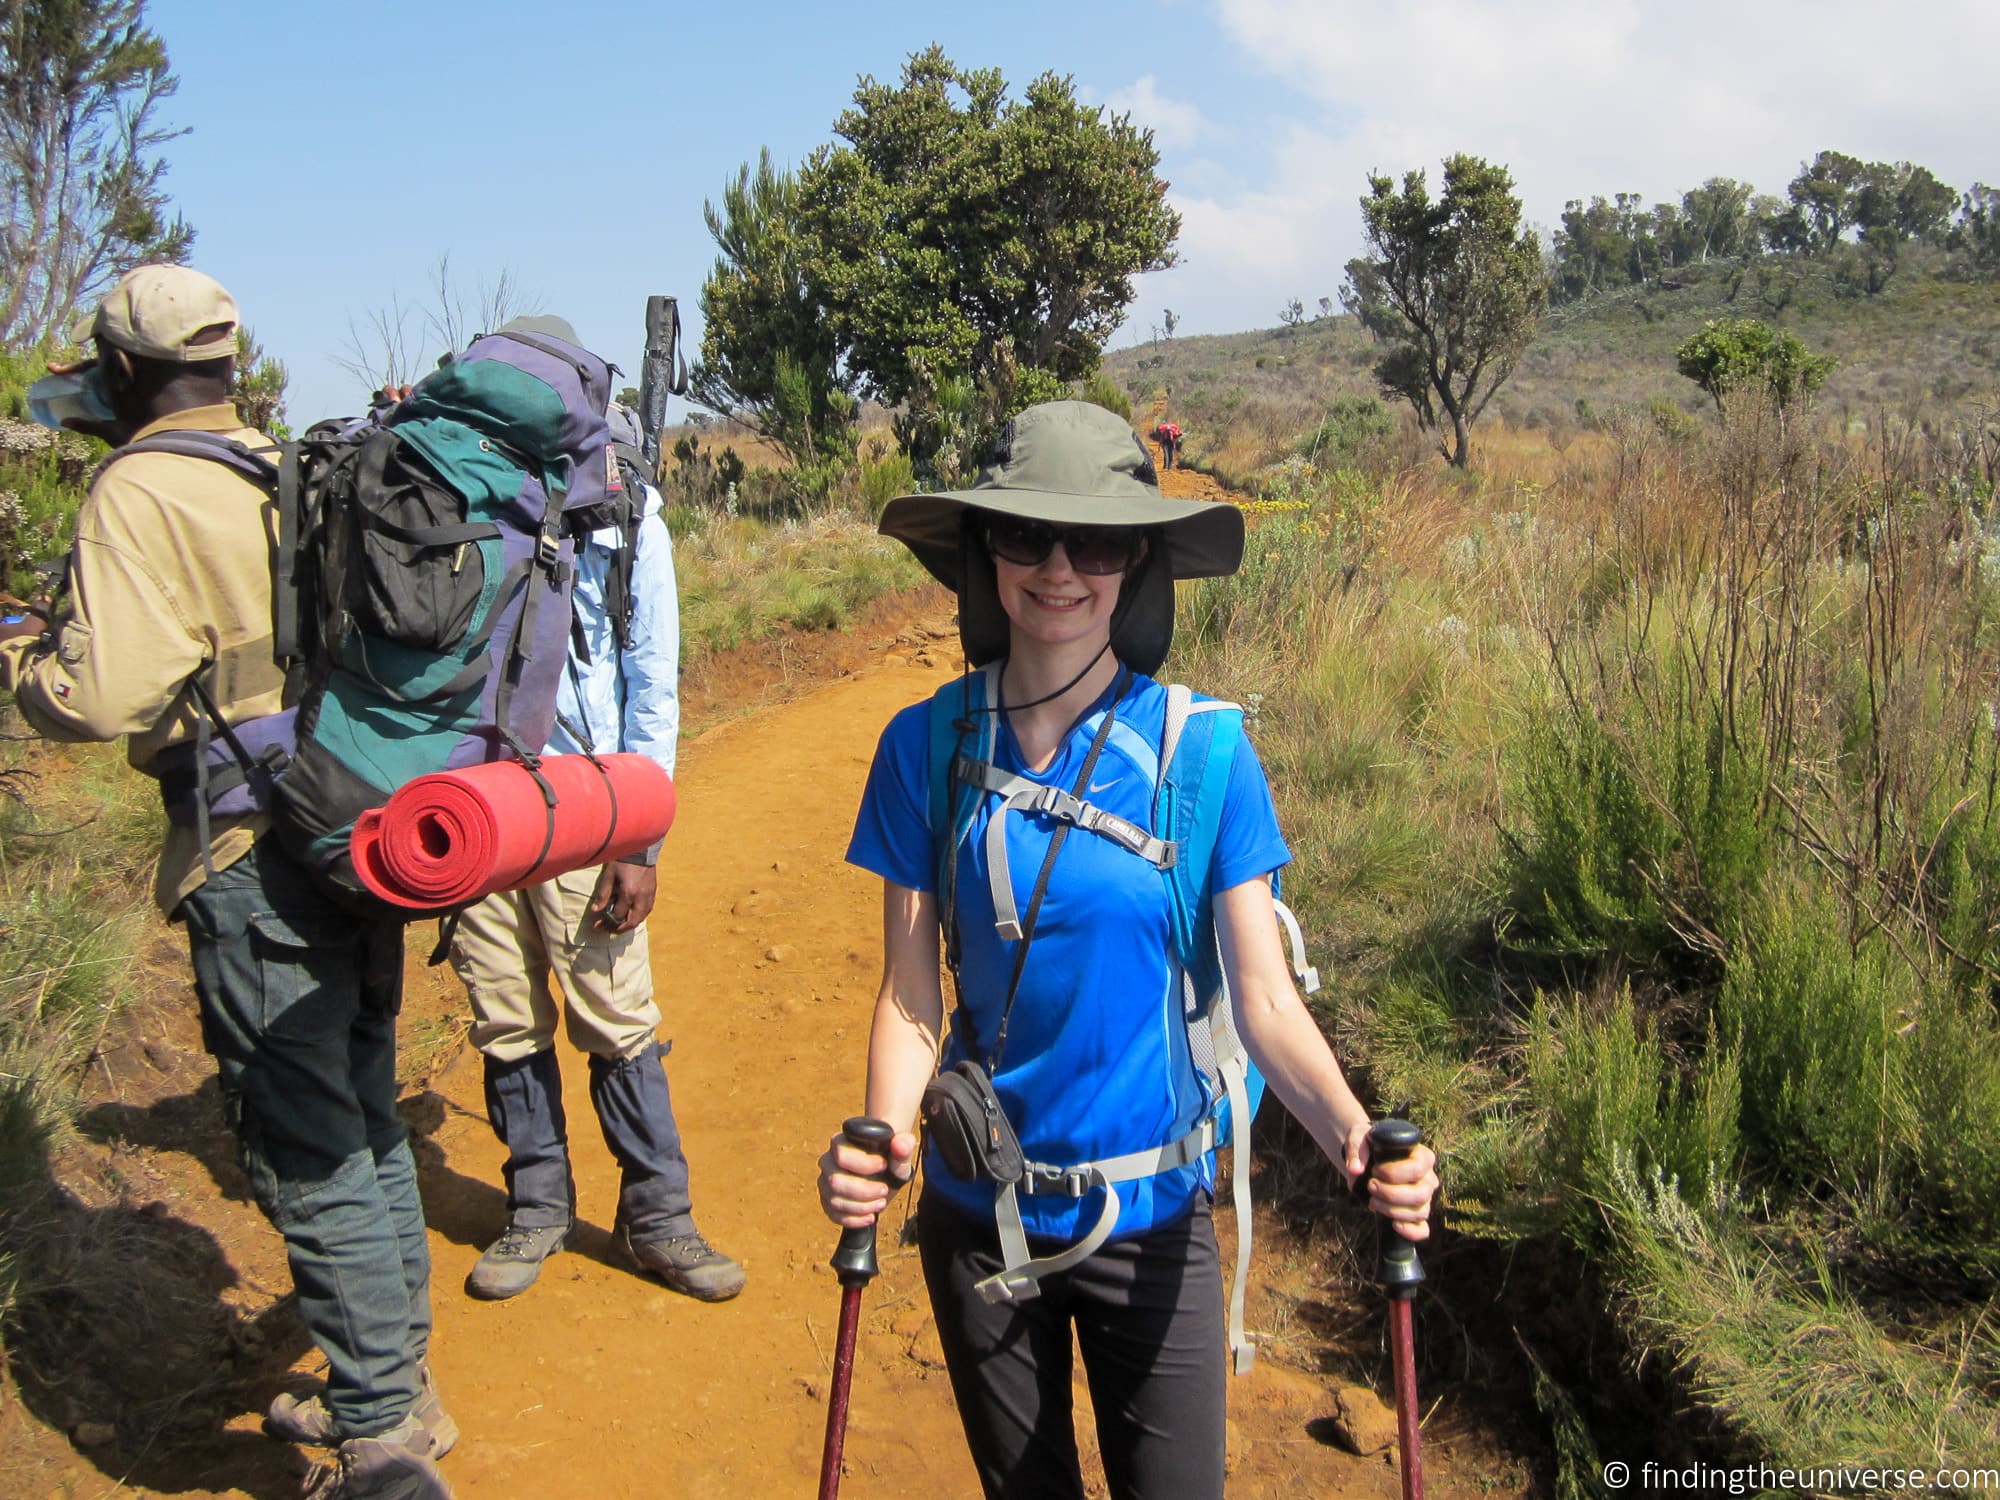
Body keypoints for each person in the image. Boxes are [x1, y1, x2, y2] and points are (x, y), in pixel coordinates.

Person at [816, 400, 1438, 1500]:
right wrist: (881, 1138)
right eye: (1025, 535)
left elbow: (1264, 1001)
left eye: (1095, 542)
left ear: (1138, 566)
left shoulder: (1202, 753)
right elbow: (912, 996)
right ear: (983, 552)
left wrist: (1355, 1138)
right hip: (978, 1217)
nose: (1059, 569)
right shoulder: (922, 745)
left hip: (1149, 1227)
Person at [0, 266, 452, 1500]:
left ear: (127, 371)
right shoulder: (285, 463)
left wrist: (29, 669)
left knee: (306, 1143)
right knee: (361, 1107)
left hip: (251, 851)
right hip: (351, 828)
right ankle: (400, 1378)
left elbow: (101, 697)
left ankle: (380, 1434)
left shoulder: (140, 488)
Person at [445, 388, 744, 1304]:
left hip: (582, 806)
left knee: (615, 1011)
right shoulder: (457, 493)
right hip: (472, 798)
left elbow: (652, 680)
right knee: (504, 1011)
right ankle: (536, 1205)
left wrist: (639, 836)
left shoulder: (624, 511)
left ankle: (658, 1217)